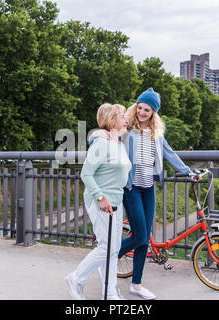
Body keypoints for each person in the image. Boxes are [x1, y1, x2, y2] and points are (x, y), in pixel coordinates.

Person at [118, 88, 200, 300]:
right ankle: (104, 260)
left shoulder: (156, 134)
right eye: (140, 107)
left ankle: (136, 285)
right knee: (140, 236)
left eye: (147, 109)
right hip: (131, 188)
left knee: (144, 241)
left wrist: (189, 173)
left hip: (148, 188)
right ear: (135, 107)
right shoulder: (126, 130)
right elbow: (107, 139)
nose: (142, 112)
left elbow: (170, 155)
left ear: (154, 112)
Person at [65, 103, 132, 300]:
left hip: (116, 201)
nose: (126, 119)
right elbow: (86, 173)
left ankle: (109, 291)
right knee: (106, 247)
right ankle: (75, 279)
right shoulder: (102, 144)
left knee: (114, 248)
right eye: (122, 116)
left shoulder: (116, 143)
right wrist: (101, 197)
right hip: (102, 202)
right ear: (112, 120)